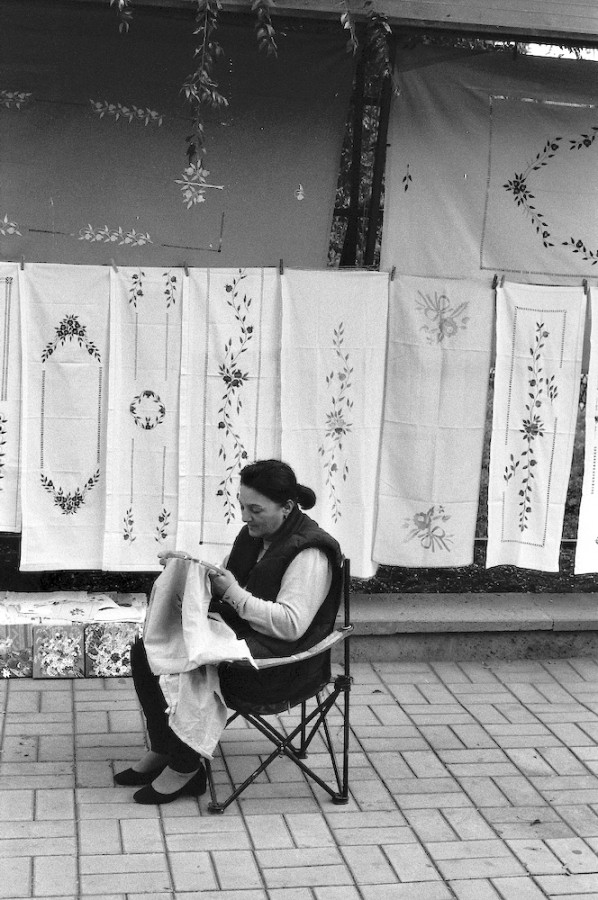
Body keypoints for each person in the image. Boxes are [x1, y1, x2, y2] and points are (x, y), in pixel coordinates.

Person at [114, 459, 342, 805]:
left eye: (255, 509)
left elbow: (290, 625)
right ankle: (164, 747)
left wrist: (233, 593)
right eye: (242, 506)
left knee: (191, 660)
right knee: (146, 649)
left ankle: (186, 768)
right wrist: (189, 568)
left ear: (287, 507)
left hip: (284, 665)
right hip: (249, 638)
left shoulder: (310, 552)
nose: (245, 517)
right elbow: (228, 582)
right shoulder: (258, 535)